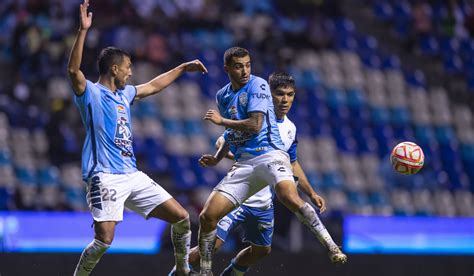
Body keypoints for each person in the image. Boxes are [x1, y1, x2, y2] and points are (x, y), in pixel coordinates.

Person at [67, 1, 207, 275]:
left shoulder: (125, 94)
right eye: (128, 67)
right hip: (104, 176)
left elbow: (154, 85)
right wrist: (83, 31)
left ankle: (182, 269)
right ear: (114, 69)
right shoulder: (91, 94)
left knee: (181, 218)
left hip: (132, 175)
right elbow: (74, 72)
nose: (131, 72)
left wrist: (181, 68)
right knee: (104, 241)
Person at [171, 73, 345, 276]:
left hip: (262, 202)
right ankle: (178, 272)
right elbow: (222, 140)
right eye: (279, 94)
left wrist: (311, 192)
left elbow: (293, 163)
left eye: (290, 95)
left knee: (262, 250)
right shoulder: (253, 118)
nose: (285, 100)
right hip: (239, 196)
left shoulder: (290, 128)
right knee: (213, 246)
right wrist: (238, 157)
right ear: (268, 95)